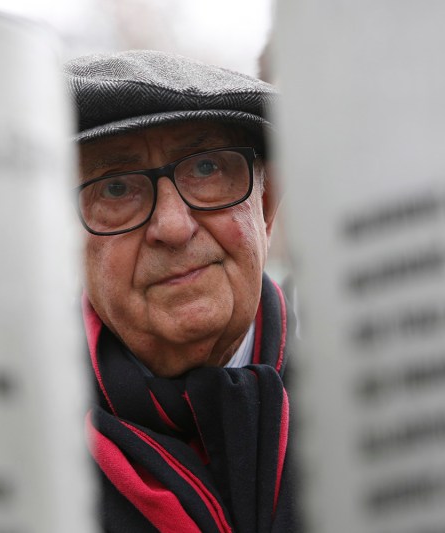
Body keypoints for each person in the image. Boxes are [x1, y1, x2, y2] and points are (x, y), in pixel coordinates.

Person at [64, 50, 297, 532]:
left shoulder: (382, 398)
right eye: (115, 188)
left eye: (208, 169)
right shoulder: (16, 453)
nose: (173, 227)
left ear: (266, 203)